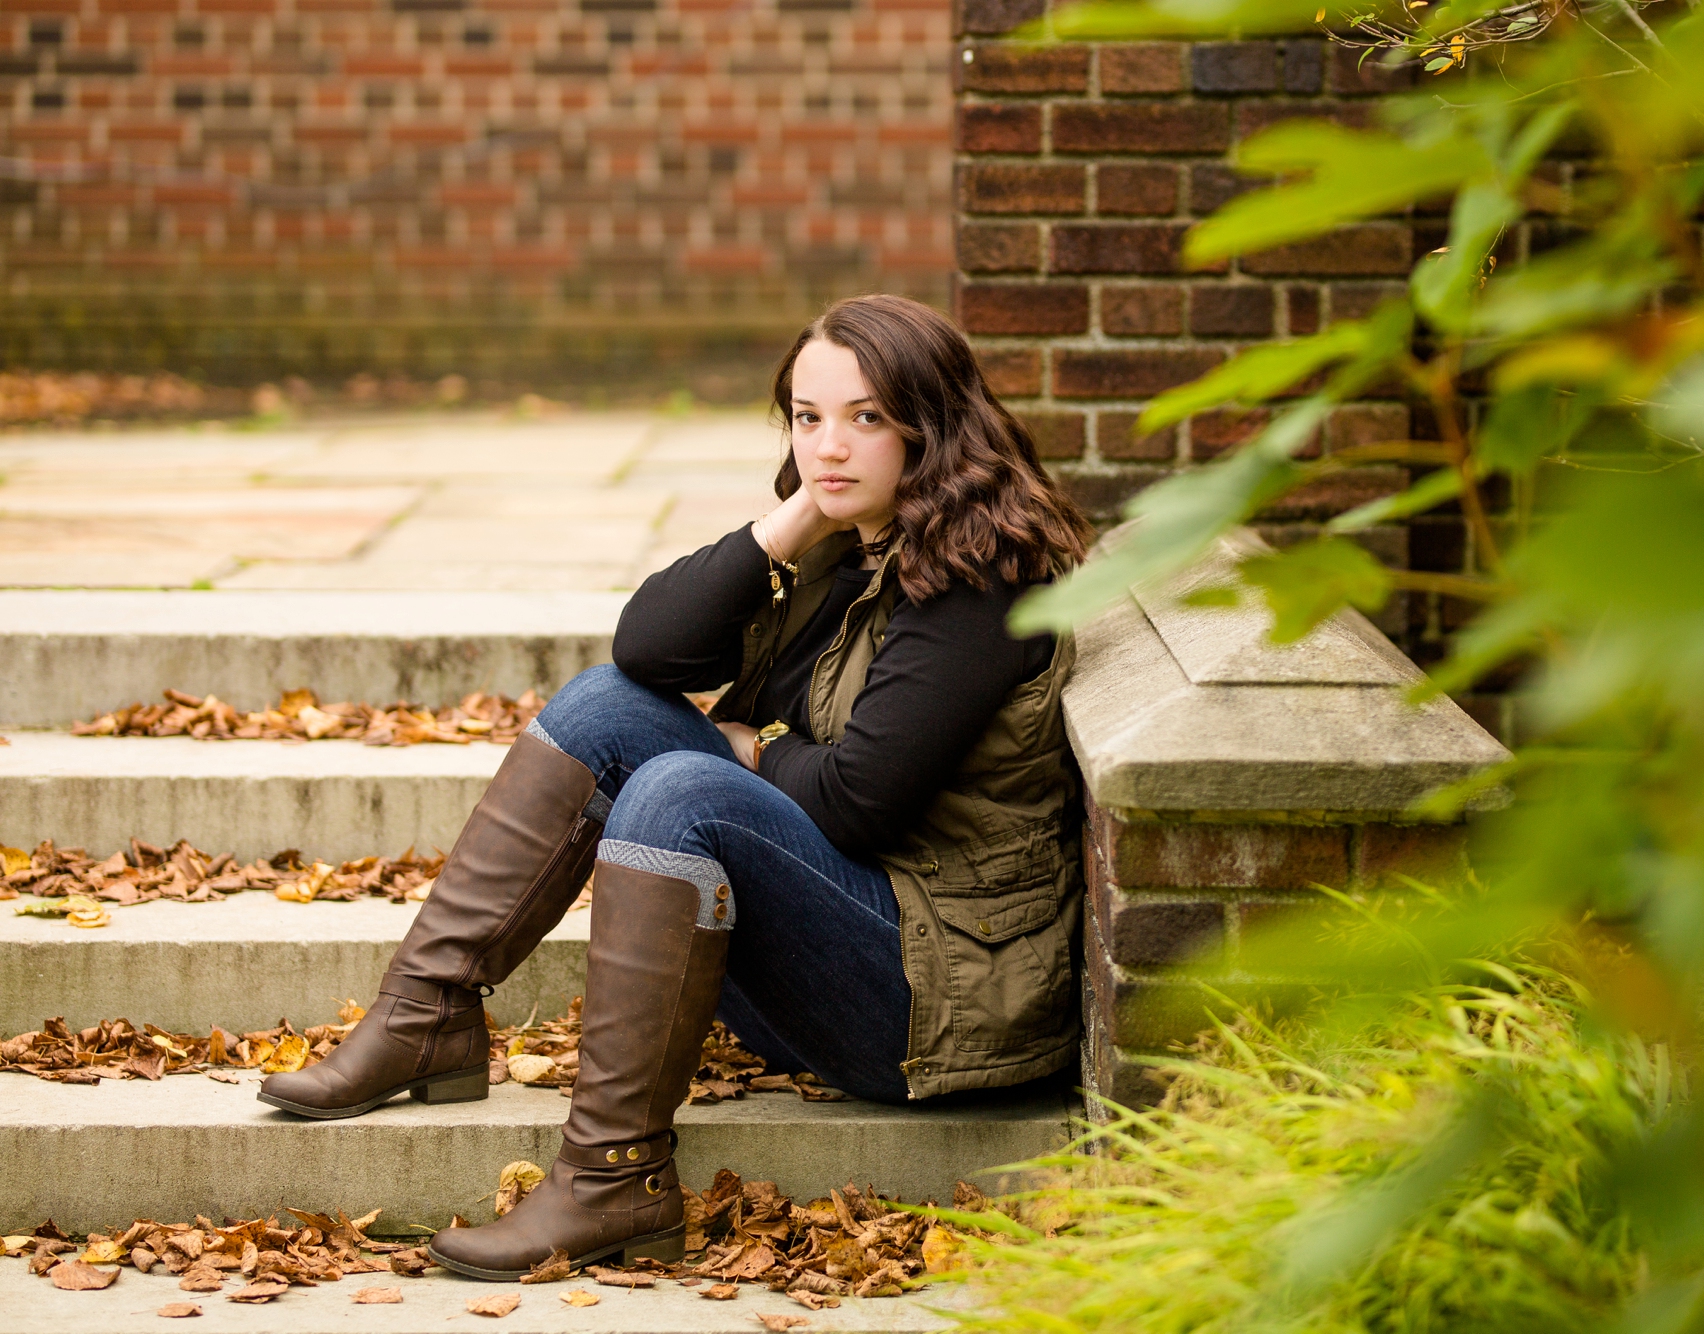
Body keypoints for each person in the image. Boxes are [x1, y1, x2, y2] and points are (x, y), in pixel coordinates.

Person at [257, 294, 1095, 1281]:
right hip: (848, 935)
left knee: (679, 792)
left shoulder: (978, 573)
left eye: (866, 417)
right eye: (805, 415)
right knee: (607, 704)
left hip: (933, 995)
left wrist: (745, 749)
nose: (829, 444)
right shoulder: (842, 539)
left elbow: (859, 797)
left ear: (933, 421)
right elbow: (647, 648)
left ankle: (612, 1175)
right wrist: (789, 518)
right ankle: (427, 1013)